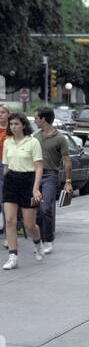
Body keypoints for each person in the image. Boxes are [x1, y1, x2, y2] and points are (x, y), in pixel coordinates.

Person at [2, 113, 44, 269]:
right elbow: (6, 166)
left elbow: (39, 167)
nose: (13, 127)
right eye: (11, 124)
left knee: (29, 224)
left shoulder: (33, 142)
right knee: (10, 220)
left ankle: (38, 244)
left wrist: (35, 188)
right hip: (11, 181)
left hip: (28, 181)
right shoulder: (7, 143)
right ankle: (13, 256)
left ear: (24, 125)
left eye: (16, 124)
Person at [34, 107, 72, 254]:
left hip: (50, 176)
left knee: (45, 208)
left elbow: (67, 161)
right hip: (34, 175)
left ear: (43, 119)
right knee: (36, 209)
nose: (36, 120)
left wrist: (68, 181)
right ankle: (39, 240)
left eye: (36, 118)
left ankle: (48, 240)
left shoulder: (60, 138)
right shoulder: (35, 136)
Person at [0, 104, 10, 243]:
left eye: (2, 112)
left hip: (7, 166)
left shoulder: (12, 130)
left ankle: (9, 236)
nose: (0, 114)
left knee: (5, 201)